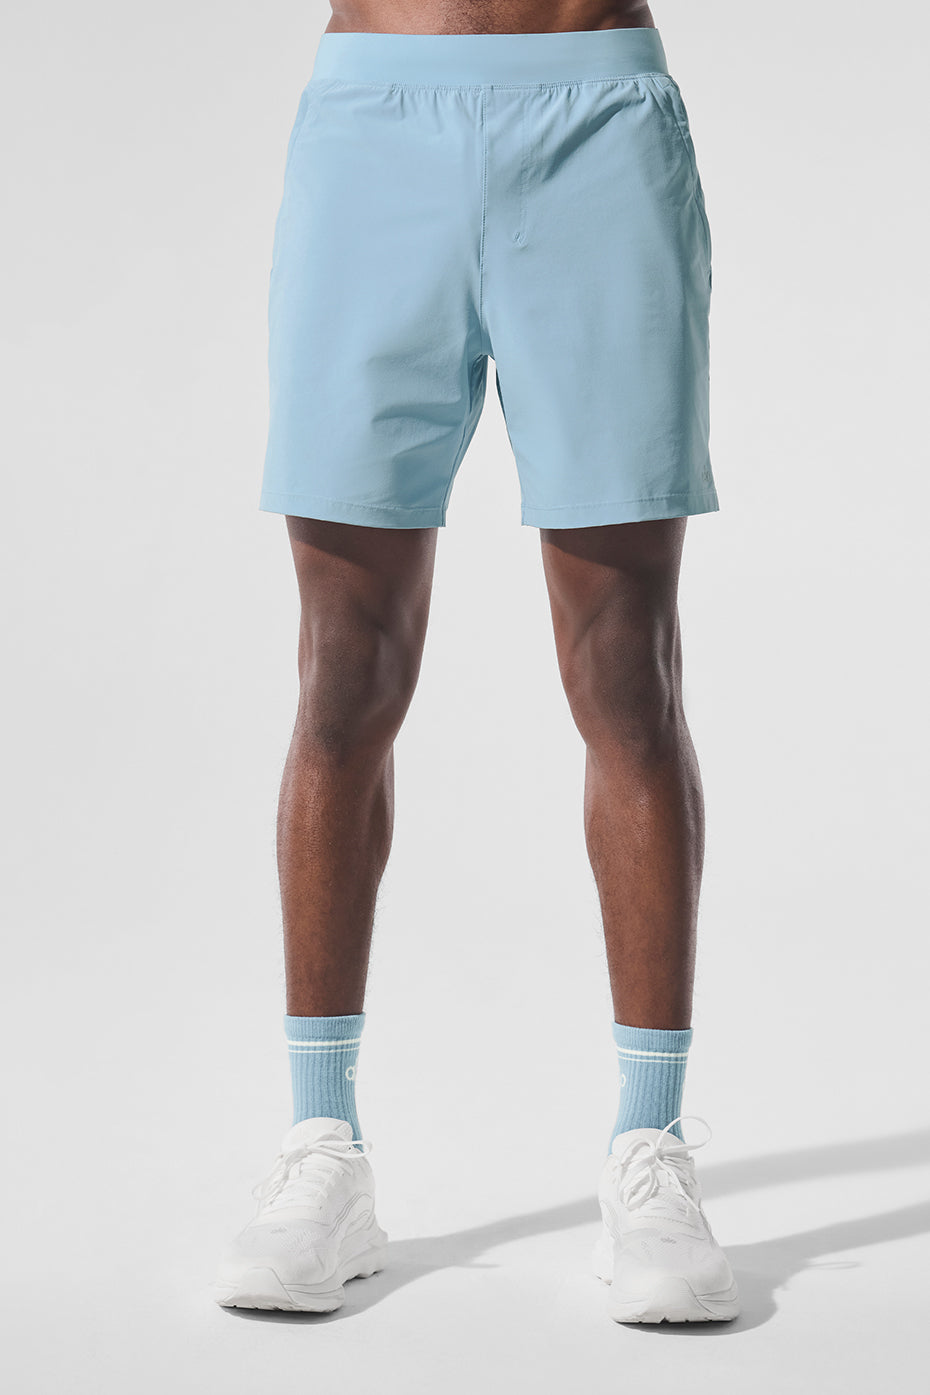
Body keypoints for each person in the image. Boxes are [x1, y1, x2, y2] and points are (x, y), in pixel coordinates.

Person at [214, 0, 740, 1325]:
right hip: (372, 128)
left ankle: (648, 1151)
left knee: (626, 671)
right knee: (343, 674)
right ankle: (322, 1146)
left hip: (598, 120)